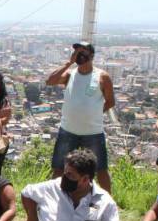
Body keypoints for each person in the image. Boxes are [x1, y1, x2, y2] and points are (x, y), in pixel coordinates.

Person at [45, 42, 116, 193]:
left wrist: (95, 112)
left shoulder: (102, 76)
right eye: (76, 52)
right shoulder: (70, 74)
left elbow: (110, 101)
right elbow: (50, 81)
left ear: (91, 55)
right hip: (68, 130)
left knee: (100, 169)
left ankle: (107, 202)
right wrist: (69, 63)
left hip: (93, 132)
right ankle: (55, 198)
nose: (79, 55)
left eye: (83, 52)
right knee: (58, 168)